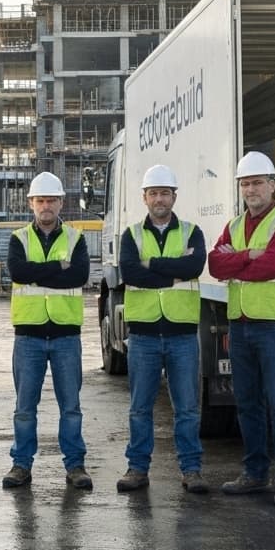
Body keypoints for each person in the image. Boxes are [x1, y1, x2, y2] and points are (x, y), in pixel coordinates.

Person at [207, 151, 275, 506]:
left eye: (257, 182)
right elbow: (215, 264)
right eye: (245, 184)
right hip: (241, 323)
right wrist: (248, 257)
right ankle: (254, 474)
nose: (251, 189)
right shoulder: (235, 225)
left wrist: (240, 261)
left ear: (272, 185)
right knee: (247, 402)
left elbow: (274, 265)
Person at [116, 164, 209, 494]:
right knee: (140, 408)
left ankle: (192, 469)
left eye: (164, 193)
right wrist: (173, 273)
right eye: (153, 193)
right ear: (144, 198)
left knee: (186, 408)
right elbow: (130, 271)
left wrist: (151, 265)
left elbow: (195, 266)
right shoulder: (131, 235)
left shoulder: (191, 231)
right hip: (143, 336)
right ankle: (137, 469)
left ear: (174, 197)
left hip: (181, 334)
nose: (159, 199)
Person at [2, 172, 93, 490]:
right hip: (29, 335)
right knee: (25, 408)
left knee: (71, 407)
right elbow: (18, 272)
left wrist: (38, 274)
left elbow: (78, 276)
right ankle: (21, 465)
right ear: (30, 203)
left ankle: (75, 466)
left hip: (66, 334)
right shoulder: (19, 239)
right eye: (40, 200)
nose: (46, 206)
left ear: (61, 203)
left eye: (51, 200)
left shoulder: (75, 238)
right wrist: (58, 268)